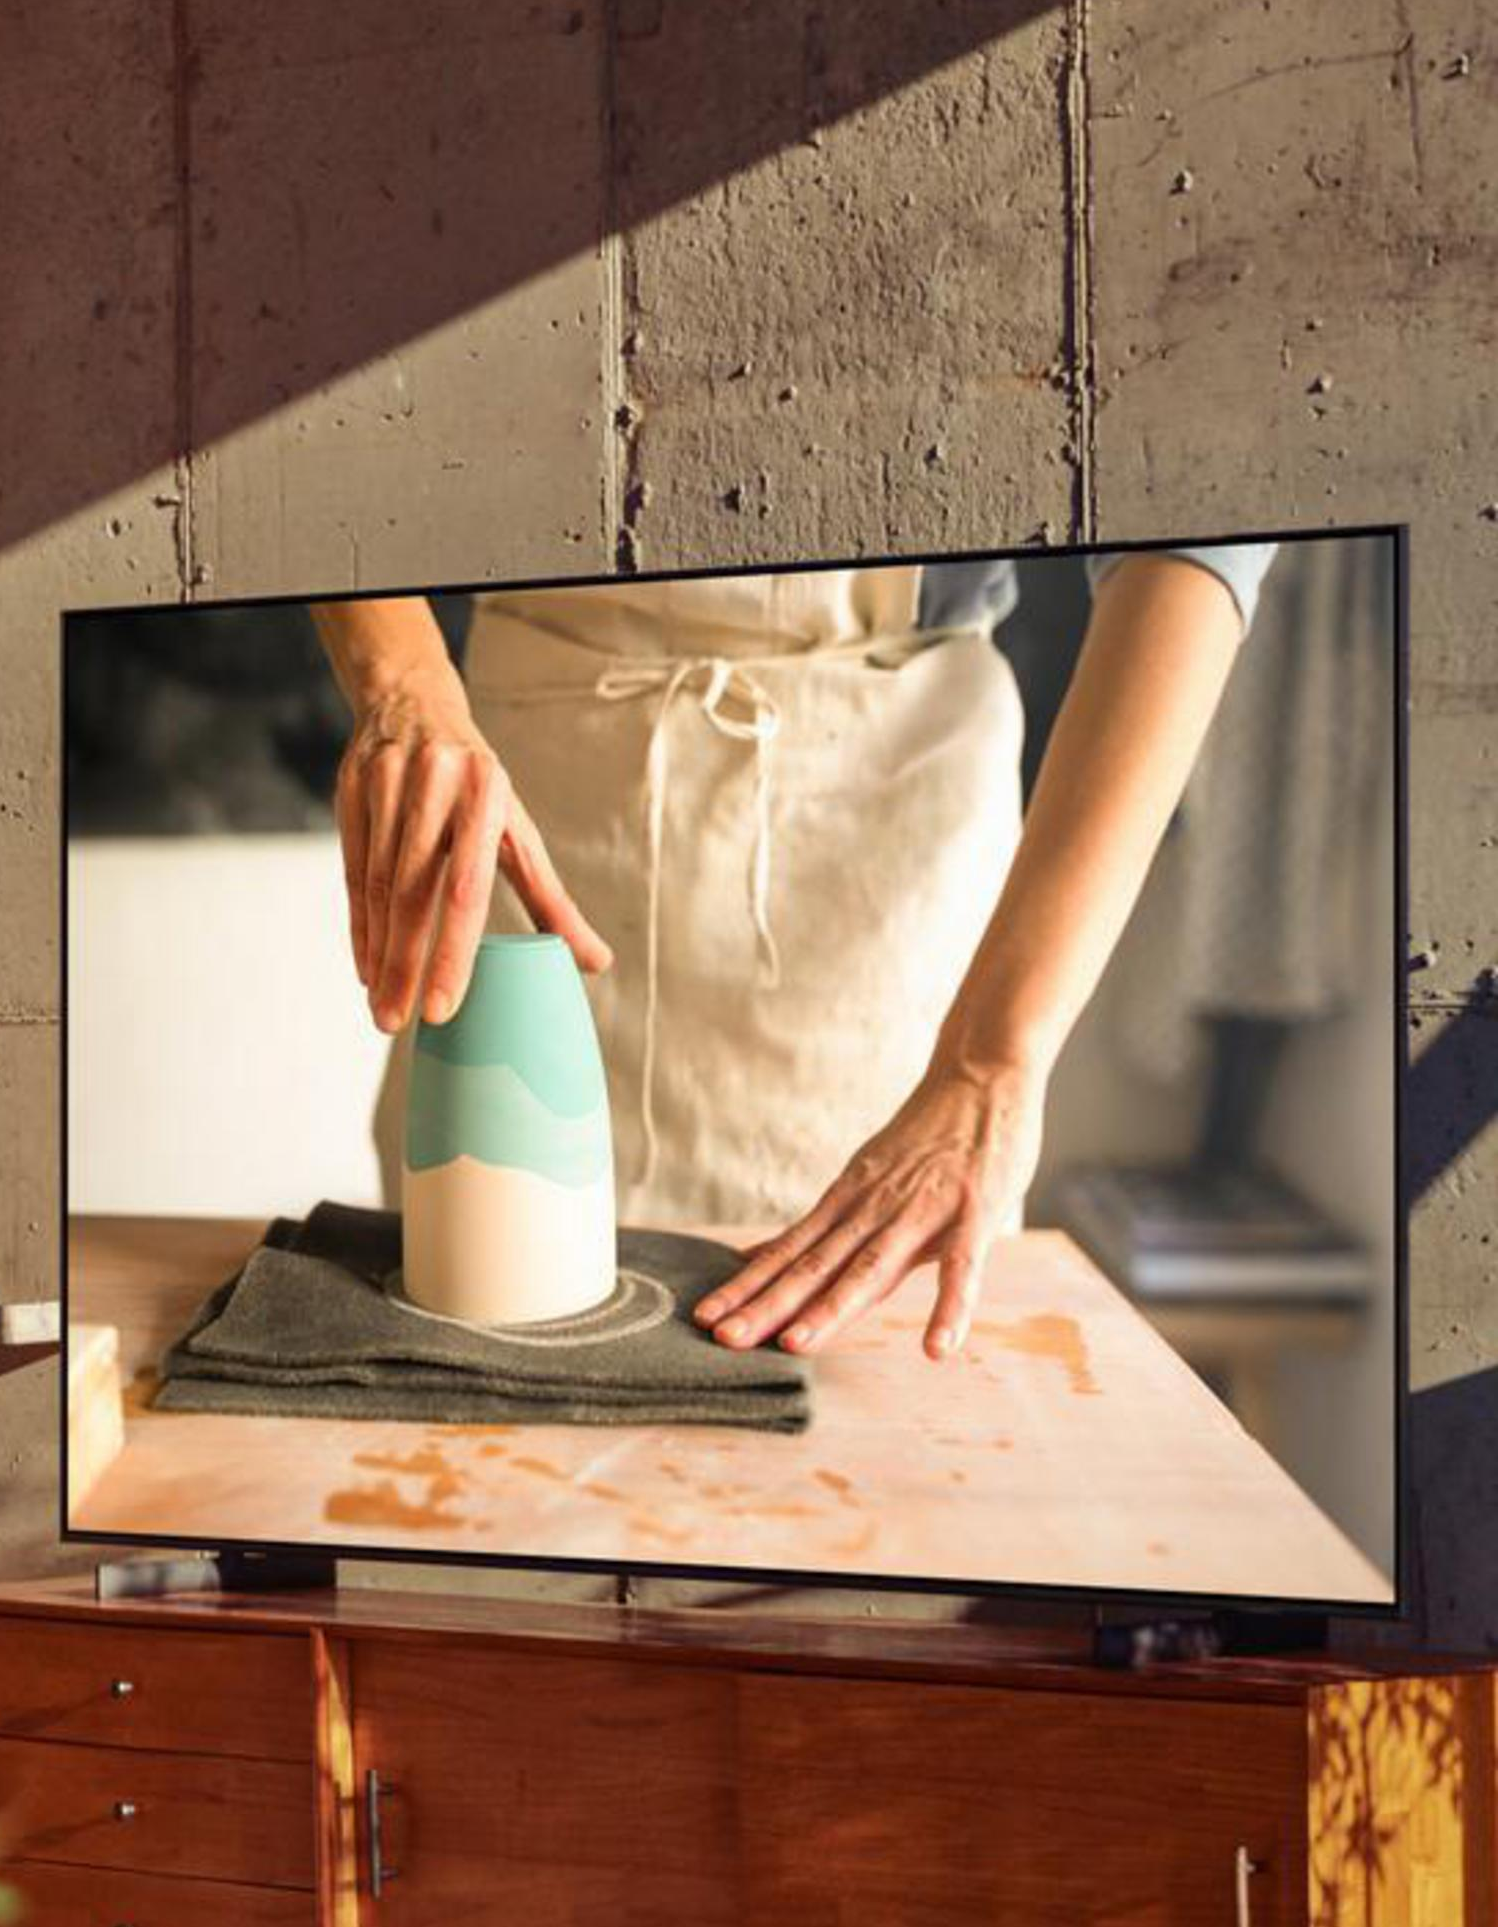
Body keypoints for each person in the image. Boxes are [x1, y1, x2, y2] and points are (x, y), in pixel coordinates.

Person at [312, 546, 1267, 1364]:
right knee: (480, 1393)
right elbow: (310, 387)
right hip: (527, 801)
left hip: (877, 846)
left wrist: (992, 1061)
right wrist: (402, 682)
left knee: (856, 1484)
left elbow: (1195, 527)